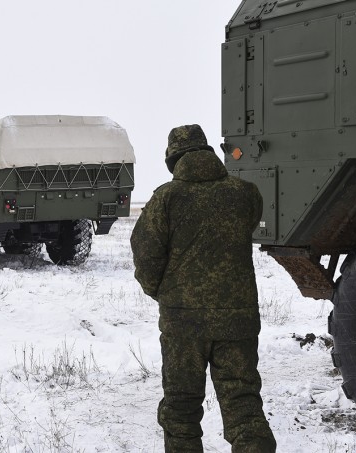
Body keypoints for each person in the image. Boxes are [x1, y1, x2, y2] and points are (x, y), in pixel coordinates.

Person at [130, 125, 276, 452]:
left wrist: (163, 293)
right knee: (242, 405)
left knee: (181, 409)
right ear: (207, 152)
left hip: (183, 324)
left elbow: (145, 250)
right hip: (238, 319)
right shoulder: (245, 193)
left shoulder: (166, 199)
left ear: (173, 159)